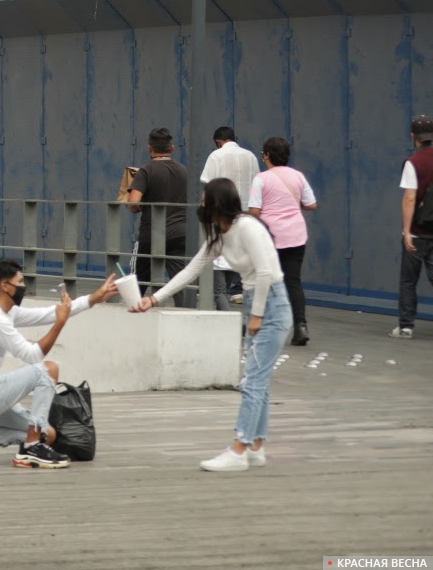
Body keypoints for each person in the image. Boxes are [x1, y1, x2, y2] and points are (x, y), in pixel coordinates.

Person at [131, 176, 288, 471]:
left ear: (217, 203)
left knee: (253, 381)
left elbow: (266, 272)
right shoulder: (220, 234)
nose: (201, 204)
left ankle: (239, 449)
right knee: (259, 379)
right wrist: (154, 298)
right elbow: (191, 270)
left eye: (205, 199)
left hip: (273, 305)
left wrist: (256, 316)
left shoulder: (247, 227)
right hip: (262, 300)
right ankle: (256, 447)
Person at [0, 259, 116, 468]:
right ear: (5, 286)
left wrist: (94, 298)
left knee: (49, 434)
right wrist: (60, 323)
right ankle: (30, 449)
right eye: (20, 282)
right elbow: (33, 355)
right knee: (47, 370)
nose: (23, 287)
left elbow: (50, 313)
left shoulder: (5, 312)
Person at [246, 136, 317, 346]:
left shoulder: (261, 179)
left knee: (266, 280)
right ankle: (301, 326)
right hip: (296, 235)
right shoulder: (298, 176)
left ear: (267, 155)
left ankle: (267, 326)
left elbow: (254, 210)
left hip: (270, 238)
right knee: (293, 282)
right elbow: (311, 204)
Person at [125, 127, 188, 301]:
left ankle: (133, 311)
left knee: (136, 281)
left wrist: (136, 207)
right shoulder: (184, 170)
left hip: (151, 233)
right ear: (172, 148)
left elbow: (133, 201)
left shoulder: (146, 171)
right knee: (180, 281)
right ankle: (184, 312)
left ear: (149, 148)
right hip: (180, 233)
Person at [202, 125, 260, 305]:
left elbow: (207, 185)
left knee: (217, 264)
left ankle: (223, 308)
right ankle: (223, 300)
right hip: (244, 219)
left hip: (221, 219)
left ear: (218, 142)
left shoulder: (216, 156)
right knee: (235, 259)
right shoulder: (251, 157)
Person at [396, 114, 433, 338]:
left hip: (418, 233)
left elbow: (410, 197)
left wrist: (407, 232)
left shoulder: (413, 162)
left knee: (409, 281)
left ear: (414, 137)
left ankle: (406, 327)